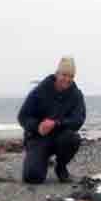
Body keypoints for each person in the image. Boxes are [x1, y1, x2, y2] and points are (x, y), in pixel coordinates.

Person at [18, 56, 86, 184]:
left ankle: (61, 167)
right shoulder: (39, 91)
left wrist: (57, 123)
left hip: (61, 136)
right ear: (57, 74)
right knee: (32, 177)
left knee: (73, 138)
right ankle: (38, 158)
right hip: (38, 137)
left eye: (71, 76)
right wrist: (37, 126)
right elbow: (23, 117)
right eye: (64, 75)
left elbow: (79, 119)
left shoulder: (76, 94)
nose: (67, 79)